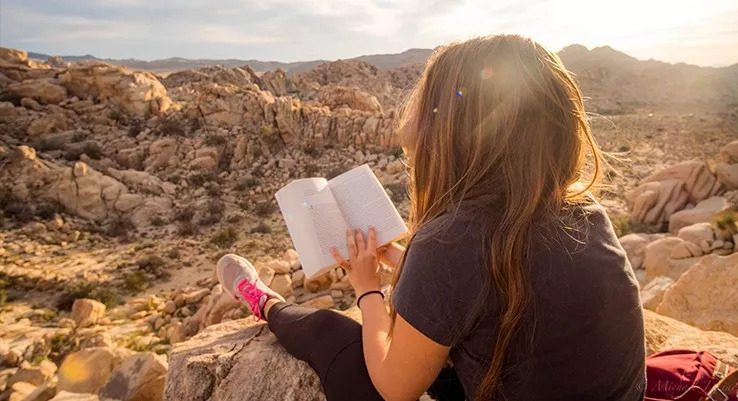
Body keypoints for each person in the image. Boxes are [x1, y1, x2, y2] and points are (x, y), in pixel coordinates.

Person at [216, 34, 646, 401]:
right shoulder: (586, 214)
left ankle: (261, 300)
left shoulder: (453, 240)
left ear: (453, 134)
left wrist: (367, 289)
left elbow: (395, 387)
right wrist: (404, 261)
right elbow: (495, 286)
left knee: (334, 335)